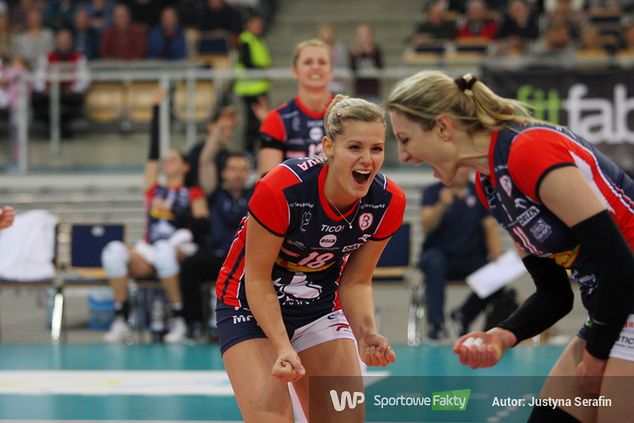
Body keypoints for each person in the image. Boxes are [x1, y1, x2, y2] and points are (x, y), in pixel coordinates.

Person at [387, 70, 634, 422]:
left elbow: (620, 263)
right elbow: (554, 294)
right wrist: (502, 335)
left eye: (405, 139)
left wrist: (596, 354)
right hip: (614, 304)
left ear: (443, 128)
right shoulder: (490, 185)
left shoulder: (528, 151)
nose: (403, 156)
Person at [217, 95, 406, 422]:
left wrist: (366, 333)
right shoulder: (282, 188)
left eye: (376, 149)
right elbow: (257, 279)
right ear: (329, 147)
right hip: (247, 304)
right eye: (355, 147)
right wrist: (282, 346)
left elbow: (356, 282)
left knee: (345, 417)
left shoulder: (388, 202)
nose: (367, 160)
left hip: (318, 307)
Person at [101, 90, 209, 344]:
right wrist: (156, 110)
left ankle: (179, 318)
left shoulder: (192, 192)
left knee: (164, 252)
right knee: (113, 251)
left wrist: (175, 211)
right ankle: (121, 318)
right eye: (165, 160)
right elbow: (151, 155)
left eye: (173, 159)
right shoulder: (154, 189)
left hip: (179, 246)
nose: (166, 163)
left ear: (185, 166)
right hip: (151, 248)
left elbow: (202, 223)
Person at [179, 108, 253, 339]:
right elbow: (206, 159)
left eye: (242, 169)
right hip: (219, 256)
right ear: (224, 173)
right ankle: (194, 324)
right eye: (233, 169)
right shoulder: (214, 192)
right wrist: (220, 128)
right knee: (190, 266)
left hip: (245, 260)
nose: (238, 174)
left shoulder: (256, 193)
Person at [419, 167, 503, 341]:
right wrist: (441, 205)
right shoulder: (433, 192)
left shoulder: (479, 192)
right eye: (457, 169)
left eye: (465, 168)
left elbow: (489, 226)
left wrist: (497, 256)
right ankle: (437, 325)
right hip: (440, 255)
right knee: (434, 263)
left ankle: (463, 315)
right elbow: (426, 226)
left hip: (470, 256)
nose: (462, 172)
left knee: (498, 278)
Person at [257, 38, 333, 176]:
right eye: (308, 62)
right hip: (292, 191)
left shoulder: (347, 115)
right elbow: (268, 180)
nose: (316, 67)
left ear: (331, 71)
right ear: (295, 71)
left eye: (322, 62)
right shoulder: (276, 119)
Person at [233, 13, 271, 154]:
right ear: (248, 24)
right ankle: (248, 152)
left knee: (259, 122)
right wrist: (264, 70)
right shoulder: (246, 40)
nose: (258, 26)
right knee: (252, 123)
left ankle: (255, 151)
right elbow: (247, 63)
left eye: (259, 23)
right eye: (255, 23)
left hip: (259, 87)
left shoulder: (258, 40)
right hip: (249, 89)